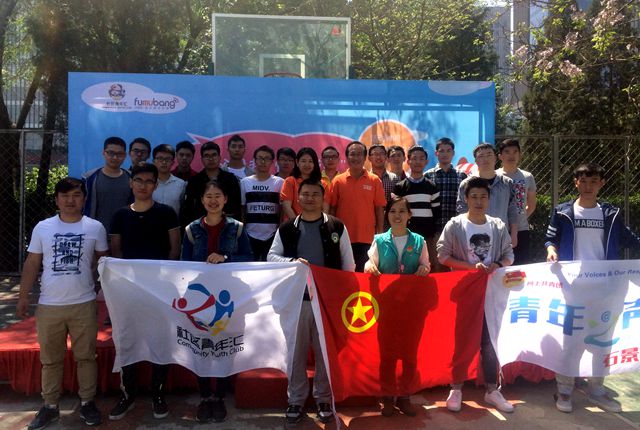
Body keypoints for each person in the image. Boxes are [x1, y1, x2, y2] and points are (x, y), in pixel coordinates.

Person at [545, 163, 640, 413]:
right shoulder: (563, 211)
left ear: (601, 184)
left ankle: (597, 390)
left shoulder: (611, 214)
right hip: (573, 288)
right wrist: (551, 250)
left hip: (606, 288)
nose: (588, 186)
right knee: (571, 340)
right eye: (583, 181)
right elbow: (550, 239)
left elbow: (630, 240)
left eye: (593, 181)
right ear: (576, 183)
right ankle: (564, 390)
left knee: (603, 340)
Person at [17, 177, 109, 430]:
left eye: (76, 195)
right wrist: (24, 296)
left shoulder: (95, 228)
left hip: (84, 303)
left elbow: (104, 262)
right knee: (50, 359)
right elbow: (32, 263)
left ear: (84, 199)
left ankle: (87, 402)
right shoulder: (43, 228)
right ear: (57, 199)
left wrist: (102, 288)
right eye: (65, 196)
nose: (71, 200)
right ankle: (49, 406)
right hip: (50, 305)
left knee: (86, 357)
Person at [268, 179, 355, 425]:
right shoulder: (287, 228)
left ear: (322, 197)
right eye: (305, 194)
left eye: (315, 194)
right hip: (296, 301)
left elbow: (348, 264)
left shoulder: (337, 226)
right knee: (295, 353)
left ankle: (323, 399)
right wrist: (292, 262)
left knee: (324, 353)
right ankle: (295, 400)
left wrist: (341, 296)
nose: (309, 198)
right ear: (298, 198)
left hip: (327, 302)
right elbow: (271, 257)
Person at [108, 163, 181, 421]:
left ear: (155, 185)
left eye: (149, 181)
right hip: (128, 289)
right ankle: (128, 394)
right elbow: (116, 252)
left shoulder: (167, 213)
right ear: (131, 183)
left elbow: (174, 249)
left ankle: (157, 394)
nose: (143, 185)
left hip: (160, 289)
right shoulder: (120, 215)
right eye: (138, 180)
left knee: (160, 339)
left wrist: (163, 281)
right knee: (127, 338)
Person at [437, 177, 515, 414]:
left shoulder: (498, 226)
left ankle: (492, 390)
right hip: (464, 292)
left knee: (489, 342)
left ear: (489, 199)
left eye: (483, 197)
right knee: (461, 339)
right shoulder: (455, 225)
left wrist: (497, 264)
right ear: (466, 199)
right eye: (474, 197)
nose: (479, 201)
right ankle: (456, 388)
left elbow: (509, 256)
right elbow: (442, 256)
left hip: (492, 293)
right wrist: (470, 268)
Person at [181, 180, 253, 423]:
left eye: (217, 196)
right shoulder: (191, 229)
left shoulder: (238, 228)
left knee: (224, 345)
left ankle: (219, 397)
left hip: (228, 296)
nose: (213, 200)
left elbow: (248, 258)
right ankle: (205, 397)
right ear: (202, 200)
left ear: (225, 200)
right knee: (201, 345)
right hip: (199, 298)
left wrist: (225, 257)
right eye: (208, 196)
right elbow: (183, 263)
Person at [364, 196, 429, 417]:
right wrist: (370, 266)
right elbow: (369, 263)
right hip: (387, 308)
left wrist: (424, 269)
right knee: (388, 354)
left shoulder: (419, 241)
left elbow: (426, 265)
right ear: (387, 215)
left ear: (409, 215)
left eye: (402, 211)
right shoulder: (379, 240)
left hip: (411, 309)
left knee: (409, 354)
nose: (397, 215)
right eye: (393, 211)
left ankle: (405, 396)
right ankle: (387, 396)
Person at [329, 141, 386, 272]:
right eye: (352, 154)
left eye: (359, 154)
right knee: (344, 274)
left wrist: (380, 234)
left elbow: (379, 209)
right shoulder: (338, 181)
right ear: (347, 157)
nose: (356, 158)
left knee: (364, 274)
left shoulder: (375, 180)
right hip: (342, 237)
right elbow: (332, 209)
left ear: (365, 157)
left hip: (367, 238)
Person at [456, 143, 518, 249]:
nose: (485, 159)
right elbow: (462, 209)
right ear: (476, 161)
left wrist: (514, 234)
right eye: (481, 156)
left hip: (501, 236)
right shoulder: (466, 184)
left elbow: (513, 210)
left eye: (489, 154)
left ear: (495, 158)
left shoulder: (507, 183)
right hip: (475, 237)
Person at [393, 146, 441, 271]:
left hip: (428, 236)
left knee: (429, 267)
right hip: (406, 236)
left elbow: (436, 213)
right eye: (414, 158)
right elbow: (396, 213)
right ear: (408, 161)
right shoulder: (400, 187)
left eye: (421, 158)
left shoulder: (432, 186)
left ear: (426, 161)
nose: (418, 162)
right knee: (406, 268)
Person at [425, 137, 467, 272]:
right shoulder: (428, 176)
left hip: (457, 230)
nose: (445, 154)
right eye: (441, 151)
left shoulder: (462, 176)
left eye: (448, 151)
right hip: (435, 230)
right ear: (436, 153)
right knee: (436, 266)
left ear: (453, 153)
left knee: (456, 267)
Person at [181, 141, 241, 227]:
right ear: (202, 159)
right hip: (200, 228)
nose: (211, 159)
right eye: (207, 156)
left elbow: (237, 207)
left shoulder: (230, 179)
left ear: (219, 157)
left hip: (227, 227)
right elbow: (188, 209)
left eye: (214, 155)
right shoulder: (194, 181)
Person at [240, 145, 284, 260]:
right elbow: (243, 208)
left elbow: (282, 209)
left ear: (272, 162)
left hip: (272, 235)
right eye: (260, 158)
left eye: (267, 158)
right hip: (250, 234)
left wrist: (279, 230)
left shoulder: (279, 182)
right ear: (254, 160)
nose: (263, 162)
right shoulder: (245, 182)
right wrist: (243, 231)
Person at [497, 138, 537, 264]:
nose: (511, 155)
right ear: (500, 156)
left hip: (521, 230)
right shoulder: (495, 176)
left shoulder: (527, 177)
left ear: (520, 155)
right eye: (507, 152)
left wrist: (521, 218)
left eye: (515, 152)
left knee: (520, 267)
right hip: (498, 230)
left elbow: (531, 204)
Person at [82, 136, 132, 234]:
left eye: (119, 154)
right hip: (95, 233)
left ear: (125, 155)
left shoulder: (132, 178)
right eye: (111, 153)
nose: (115, 157)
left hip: (125, 233)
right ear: (103, 153)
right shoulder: (89, 178)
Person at [280, 147, 330, 221]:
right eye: (303, 161)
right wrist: (298, 224)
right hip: (293, 224)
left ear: (315, 164)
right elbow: (287, 207)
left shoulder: (323, 184)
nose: (307, 164)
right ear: (297, 163)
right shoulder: (290, 181)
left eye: (310, 161)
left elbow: (325, 209)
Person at [152, 144, 186, 216]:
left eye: (167, 159)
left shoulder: (181, 184)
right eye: (160, 158)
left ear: (173, 162)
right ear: (154, 161)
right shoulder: (148, 183)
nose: (164, 162)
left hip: (173, 222)